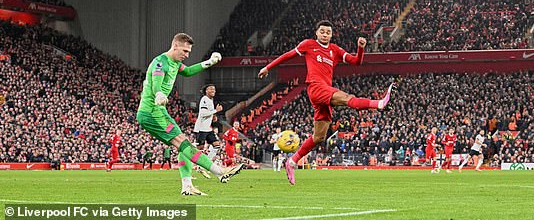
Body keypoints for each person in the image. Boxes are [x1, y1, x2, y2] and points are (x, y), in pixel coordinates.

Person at [258, 20, 395, 185]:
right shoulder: (308, 45)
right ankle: (378, 104)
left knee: (319, 136)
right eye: (322, 31)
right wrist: (268, 67)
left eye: (328, 32)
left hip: (325, 91)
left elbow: (356, 61)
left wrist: (360, 48)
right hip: (316, 88)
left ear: (331, 34)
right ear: (316, 33)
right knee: (347, 98)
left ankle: (292, 161)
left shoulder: (334, 50)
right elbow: (288, 55)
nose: (325, 34)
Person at [136, 33, 243, 196]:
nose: (187, 55)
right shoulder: (160, 62)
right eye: (185, 51)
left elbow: (187, 72)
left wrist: (209, 63)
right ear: (175, 46)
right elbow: (156, 80)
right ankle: (219, 171)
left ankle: (187, 186)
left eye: (189, 52)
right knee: (183, 143)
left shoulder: (175, 63)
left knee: (183, 147)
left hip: (158, 111)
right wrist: (158, 93)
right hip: (152, 111)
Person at [194, 84, 223, 179]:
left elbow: (209, 113)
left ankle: (204, 166)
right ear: (206, 91)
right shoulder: (204, 99)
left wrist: (214, 116)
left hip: (207, 128)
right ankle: (191, 170)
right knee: (198, 149)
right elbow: (202, 113)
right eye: (210, 89)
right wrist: (215, 111)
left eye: (214, 89)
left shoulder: (211, 100)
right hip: (201, 128)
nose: (213, 90)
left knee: (216, 145)